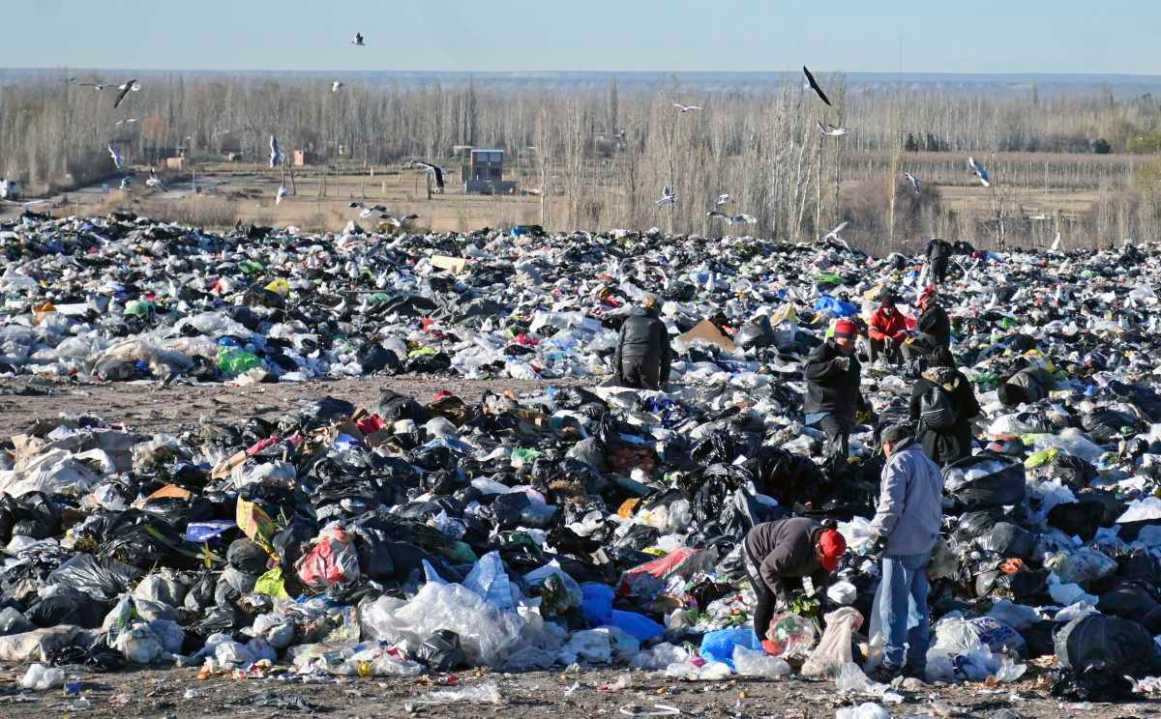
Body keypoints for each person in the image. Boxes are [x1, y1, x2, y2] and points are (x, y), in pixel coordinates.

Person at [869, 424, 944, 682]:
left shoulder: (898, 462)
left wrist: (877, 534)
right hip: (925, 543)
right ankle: (917, 663)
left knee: (893, 607)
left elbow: (891, 504)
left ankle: (891, 664)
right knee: (917, 606)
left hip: (901, 545)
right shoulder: (930, 464)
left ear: (889, 444)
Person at [743, 518, 846, 643]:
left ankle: (801, 637)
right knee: (768, 598)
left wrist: (820, 597)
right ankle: (764, 643)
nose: (824, 562)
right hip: (758, 549)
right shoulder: (793, 547)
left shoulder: (826, 546)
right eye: (824, 559)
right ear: (818, 547)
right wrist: (785, 596)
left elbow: (821, 577)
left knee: (800, 598)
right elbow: (767, 569)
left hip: (787, 560)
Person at [804, 318, 869, 467]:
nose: (851, 344)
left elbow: (852, 384)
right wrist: (834, 365)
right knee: (838, 439)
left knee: (840, 441)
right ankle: (838, 474)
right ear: (838, 337)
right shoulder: (824, 351)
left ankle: (832, 469)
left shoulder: (850, 356)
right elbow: (809, 372)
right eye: (848, 340)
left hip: (843, 409)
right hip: (823, 408)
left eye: (853, 340)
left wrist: (861, 405)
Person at [909, 346, 981, 465]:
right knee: (959, 473)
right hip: (959, 439)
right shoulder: (959, 379)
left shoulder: (921, 383)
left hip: (931, 441)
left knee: (934, 474)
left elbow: (913, 414)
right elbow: (972, 410)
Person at [613, 294, 672, 390]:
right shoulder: (659, 324)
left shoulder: (628, 321)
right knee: (650, 394)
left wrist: (617, 371)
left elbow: (619, 347)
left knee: (629, 393)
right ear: (658, 308)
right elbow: (666, 353)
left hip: (628, 361)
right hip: (649, 360)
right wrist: (663, 379)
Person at [868, 291, 912, 365]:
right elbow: (871, 331)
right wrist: (883, 337)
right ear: (883, 308)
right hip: (881, 342)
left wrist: (893, 339)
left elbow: (903, 332)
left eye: (891, 307)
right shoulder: (876, 316)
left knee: (904, 345)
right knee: (871, 340)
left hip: (894, 342)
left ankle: (909, 365)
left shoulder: (899, 316)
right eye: (887, 308)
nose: (889, 310)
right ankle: (872, 364)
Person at [915, 286, 951, 350]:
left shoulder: (933, 311)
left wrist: (922, 313)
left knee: (904, 345)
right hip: (939, 345)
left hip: (936, 349)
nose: (922, 307)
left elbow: (920, 326)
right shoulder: (936, 309)